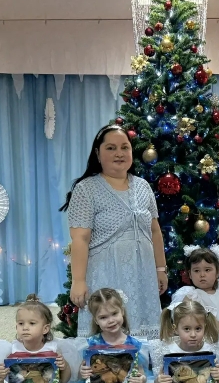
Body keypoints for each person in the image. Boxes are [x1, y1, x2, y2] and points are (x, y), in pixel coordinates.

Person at [62, 124, 167, 339]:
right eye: (111, 148)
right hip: (105, 274)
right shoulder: (86, 189)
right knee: (108, 332)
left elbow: (155, 231)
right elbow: (80, 239)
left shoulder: (143, 186)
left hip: (143, 275)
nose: (119, 153)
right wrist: (78, 281)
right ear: (98, 153)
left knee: (144, 336)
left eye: (124, 147)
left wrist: (160, 268)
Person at [170, 244, 219, 335]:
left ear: (217, 272)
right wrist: (209, 324)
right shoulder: (190, 297)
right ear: (190, 274)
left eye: (207, 270)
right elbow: (184, 322)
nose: (202, 275)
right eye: (196, 271)